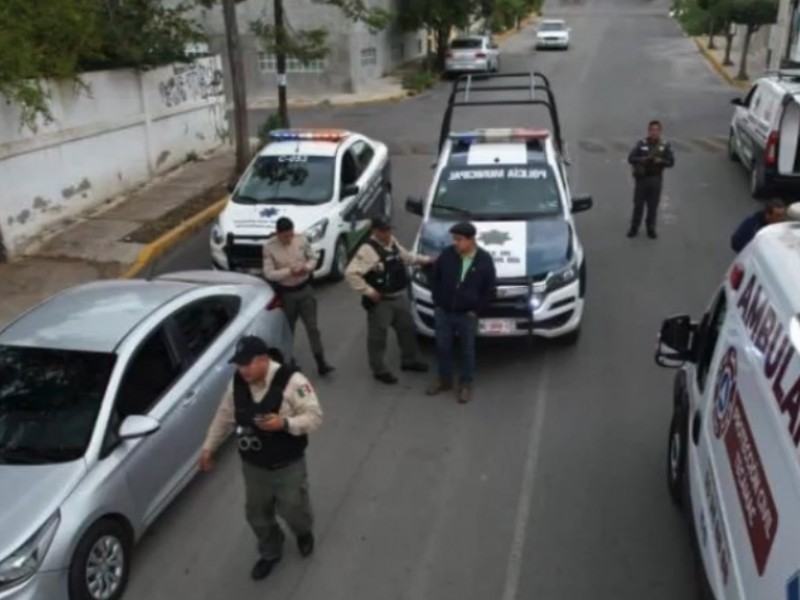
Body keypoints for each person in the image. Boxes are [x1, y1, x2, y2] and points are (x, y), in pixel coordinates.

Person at [199, 335, 323, 581]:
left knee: (294, 509)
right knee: (256, 514)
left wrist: (285, 423)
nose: (242, 370)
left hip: (288, 465)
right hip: (254, 468)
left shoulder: (292, 381)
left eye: (248, 364)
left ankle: (303, 533)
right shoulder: (237, 384)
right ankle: (270, 550)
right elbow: (224, 416)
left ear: (264, 360)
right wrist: (208, 448)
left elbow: (315, 416)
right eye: (239, 364)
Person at [344, 216, 432, 384]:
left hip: (399, 295)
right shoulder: (368, 250)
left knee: (407, 329)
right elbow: (350, 273)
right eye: (384, 230)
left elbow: (405, 257)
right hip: (381, 301)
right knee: (378, 337)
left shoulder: (391, 242)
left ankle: (409, 360)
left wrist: (426, 260)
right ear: (375, 231)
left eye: (389, 229)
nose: (388, 233)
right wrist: (369, 291)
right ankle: (379, 369)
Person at [425, 221, 496, 404]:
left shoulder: (484, 260)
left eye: (459, 239)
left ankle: (466, 384)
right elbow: (435, 278)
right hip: (444, 312)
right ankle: (445, 380)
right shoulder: (447, 255)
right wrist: (437, 301)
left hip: (467, 315)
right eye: (454, 239)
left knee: (467, 351)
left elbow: (489, 290)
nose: (455, 243)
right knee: (443, 347)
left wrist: (476, 310)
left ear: (471, 240)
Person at [263, 217, 334, 376]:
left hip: (305, 289)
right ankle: (289, 361)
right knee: (289, 330)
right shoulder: (269, 247)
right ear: (278, 234)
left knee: (313, 328)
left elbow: (313, 257)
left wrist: (307, 267)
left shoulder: (300, 239)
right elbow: (269, 273)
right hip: (287, 293)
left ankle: (321, 361)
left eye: (290, 235)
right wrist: (289, 271)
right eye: (285, 237)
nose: (289, 239)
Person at [627, 120, 675, 239]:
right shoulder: (641, 144)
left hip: (655, 179)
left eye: (656, 130)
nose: (654, 132)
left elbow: (671, 162)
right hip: (642, 179)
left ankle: (651, 228)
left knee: (652, 206)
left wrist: (661, 161)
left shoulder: (664, 146)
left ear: (660, 132)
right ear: (648, 131)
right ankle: (634, 227)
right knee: (638, 205)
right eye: (652, 130)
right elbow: (631, 158)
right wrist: (642, 159)